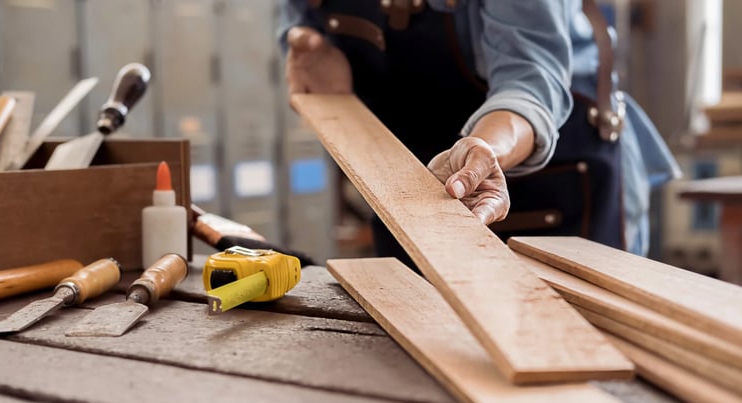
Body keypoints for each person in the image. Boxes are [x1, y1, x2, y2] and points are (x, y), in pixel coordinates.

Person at [277, 0, 680, 266]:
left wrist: (485, 149)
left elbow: (530, 80)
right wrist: (306, 43)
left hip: (546, 170)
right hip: (416, 176)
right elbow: (298, 15)